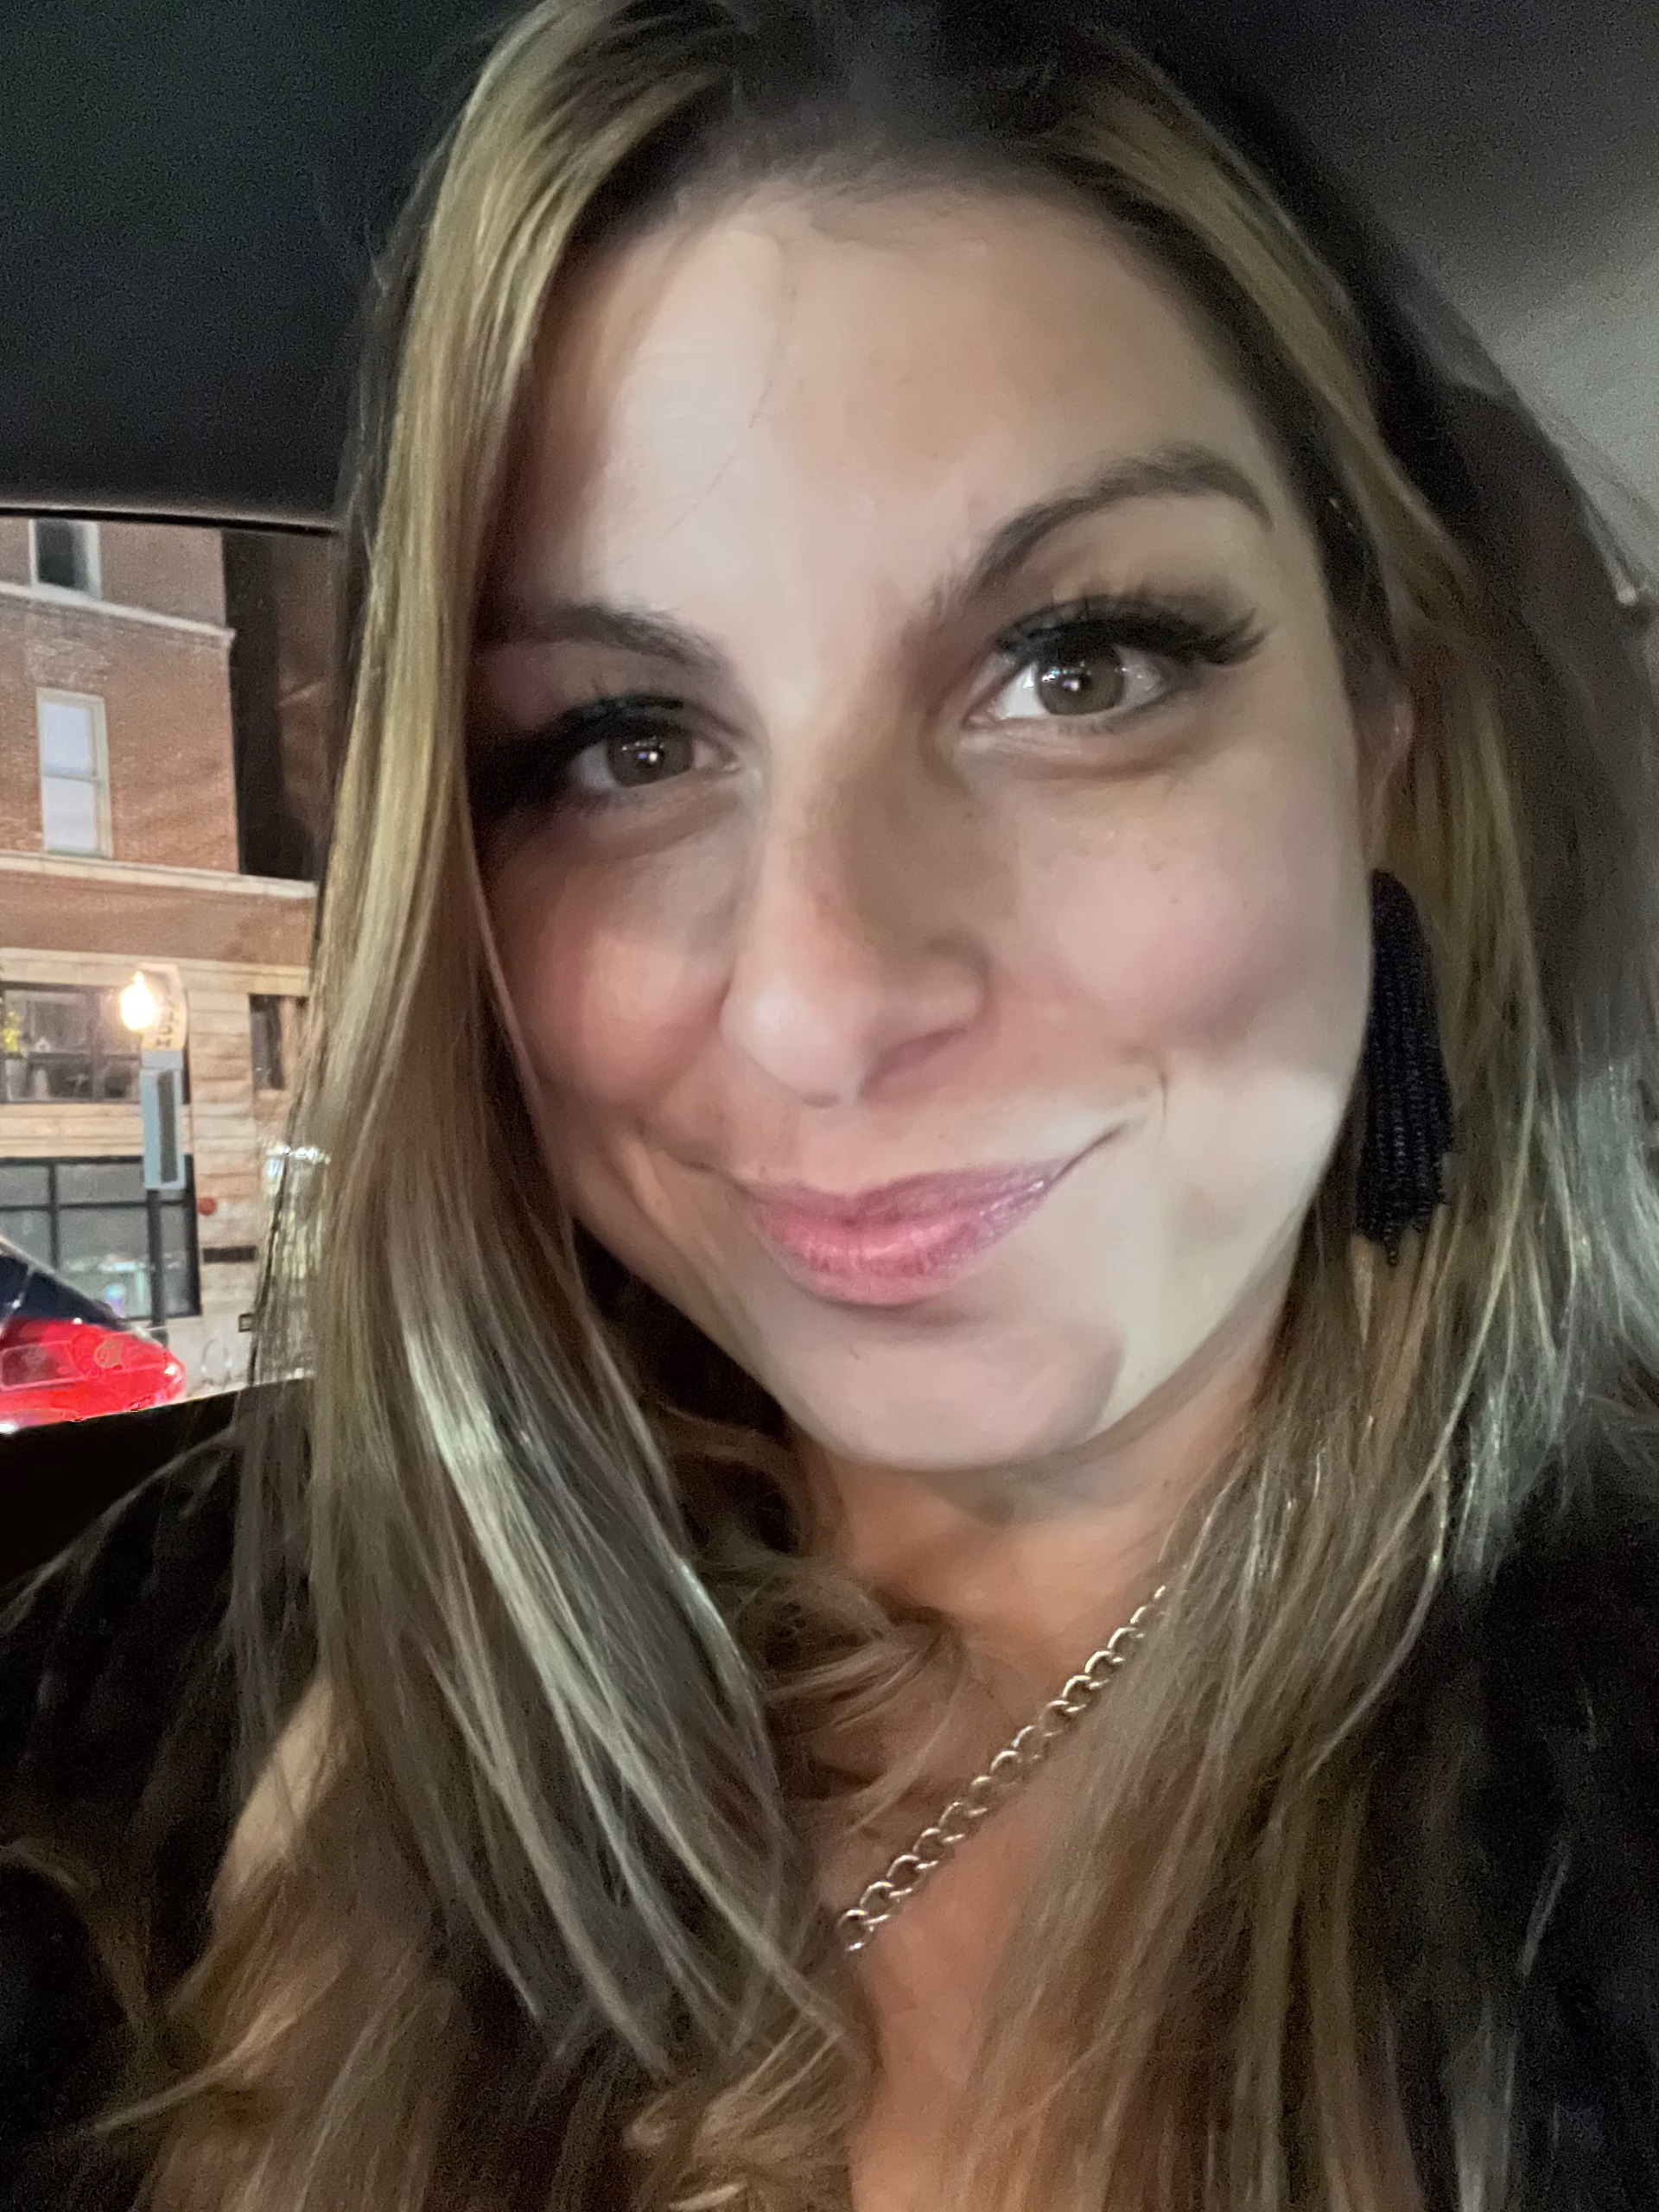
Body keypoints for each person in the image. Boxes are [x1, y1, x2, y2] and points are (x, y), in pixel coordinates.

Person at [3, 1, 1658, 2206]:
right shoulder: (193, 1649)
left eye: (1079, 665)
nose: (818, 999)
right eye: (622, 743)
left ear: (1383, 738)